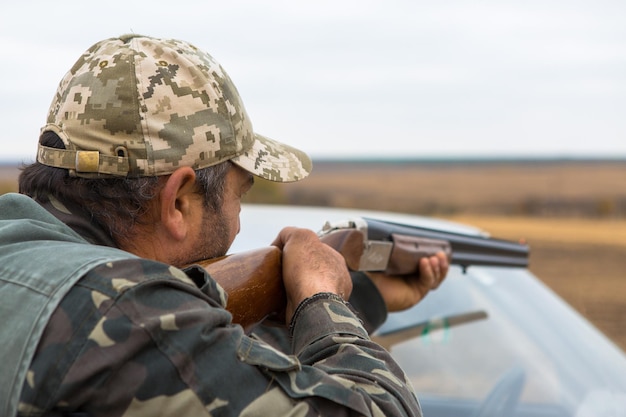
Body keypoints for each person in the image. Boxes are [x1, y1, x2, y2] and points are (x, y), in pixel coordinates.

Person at [0, 34, 448, 417]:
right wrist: (322, 298)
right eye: (241, 193)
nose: (237, 223)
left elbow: (215, 373)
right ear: (178, 201)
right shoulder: (130, 313)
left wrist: (361, 297)